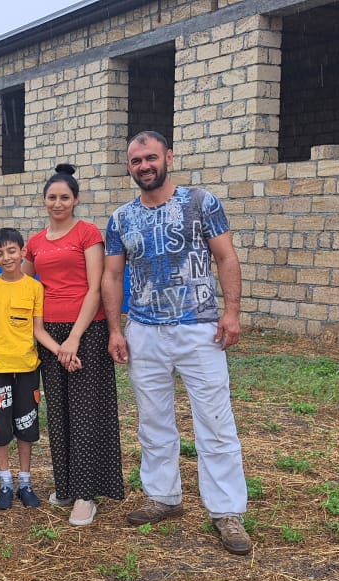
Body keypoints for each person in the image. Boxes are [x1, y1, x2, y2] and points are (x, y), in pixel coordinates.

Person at [102, 130, 251, 555]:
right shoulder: (121, 218)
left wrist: (232, 312)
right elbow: (112, 276)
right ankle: (163, 498)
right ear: (129, 167)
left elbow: (226, 257)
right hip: (145, 332)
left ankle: (225, 511)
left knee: (215, 422)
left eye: (150, 157)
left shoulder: (202, 203)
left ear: (168, 156)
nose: (144, 166)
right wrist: (116, 329)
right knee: (153, 421)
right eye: (136, 161)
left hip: (199, 329)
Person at [25, 164, 125, 526]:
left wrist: (75, 338)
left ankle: (86, 493)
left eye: (64, 197)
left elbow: (96, 288)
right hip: (50, 338)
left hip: (87, 331)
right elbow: (21, 289)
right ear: (44, 200)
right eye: (52, 197)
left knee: (86, 413)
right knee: (61, 413)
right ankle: (65, 484)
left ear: (76, 199)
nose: (57, 203)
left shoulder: (88, 233)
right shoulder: (35, 242)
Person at [0, 227, 64, 510]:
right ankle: (5, 482)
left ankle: (25, 483)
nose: (6, 257)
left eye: (11, 251)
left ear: (23, 252)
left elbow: (38, 330)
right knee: (1, 429)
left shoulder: (34, 287)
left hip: (27, 369)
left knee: (26, 427)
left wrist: (60, 350)